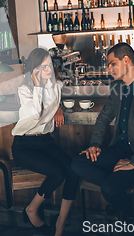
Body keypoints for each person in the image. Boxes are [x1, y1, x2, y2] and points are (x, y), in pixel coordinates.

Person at [71, 42, 134, 218]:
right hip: (120, 148)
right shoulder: (117, 87)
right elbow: (103, 118)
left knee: (109, 188)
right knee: (78, 163)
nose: (109, 69)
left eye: (112, 64)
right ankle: (131, 192)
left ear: (126, 60)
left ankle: (130, 215)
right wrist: (95, 144)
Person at [12, 47, 80, 236]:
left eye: (49, 64)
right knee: (57, 173)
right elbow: (34, 116)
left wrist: (58, 106)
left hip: (45, 142)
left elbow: (52, 103)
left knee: (74, 170)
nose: (48, 69)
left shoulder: (57, 85)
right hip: (24, 146)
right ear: (34, 70)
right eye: (42, 67)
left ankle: (60, 223)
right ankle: (31, 209)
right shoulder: (24, 90)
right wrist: (38, 86)